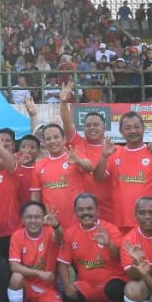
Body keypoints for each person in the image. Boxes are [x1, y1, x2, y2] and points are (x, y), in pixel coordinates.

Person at [57, 192, 127, 302]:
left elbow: (121, 257)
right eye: (81, 210)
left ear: (97, 210)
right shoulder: (70, 233)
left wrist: (109, 244)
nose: (86, 213)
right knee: (69, 296)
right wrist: (67, 284)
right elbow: (62, 264)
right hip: (88, 285)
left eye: (89, 209)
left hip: (110, 283)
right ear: (75, 212)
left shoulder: (110, 229)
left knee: (117, 288)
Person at [94, 111, 152, 231]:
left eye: (137, 127)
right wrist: (104, 157)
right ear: (121, 131)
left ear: (143, 128)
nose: (133, 131)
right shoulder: (114, 153)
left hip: (150, 222)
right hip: (121, 221)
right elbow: (98, 178)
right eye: (128, 128)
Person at [6, 201, 68, 302]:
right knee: (16, 277)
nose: (33, 220)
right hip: (25, 286)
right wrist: (39, 273)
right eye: (29, 217)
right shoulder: (17, 235)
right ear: (23, 219)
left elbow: (60, 237)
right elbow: (14, 266)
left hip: (45, 289)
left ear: (43, 218)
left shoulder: (50, 232)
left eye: (37, 217)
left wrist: (56, 225)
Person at [60, 83, 113, 223]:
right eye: (88, 125)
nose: (92, 128)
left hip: (107, 211)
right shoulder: (78, 142)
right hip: (82, 212)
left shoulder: (113, 150)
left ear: (104, 127)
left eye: (96, 125)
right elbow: (67, 123)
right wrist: (63, 102)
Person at [35, 124, 88, 231]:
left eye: (56, 137)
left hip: (77, 223)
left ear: (63, 139)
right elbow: (36, 197)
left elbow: (90, 167)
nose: (52, 141)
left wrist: (78, 161)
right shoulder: (39, 166)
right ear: (44, 143)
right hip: (53, 225)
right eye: (48, 139)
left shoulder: (74, 156)